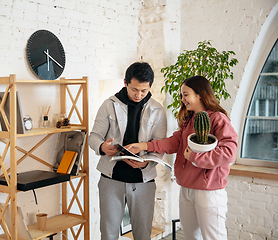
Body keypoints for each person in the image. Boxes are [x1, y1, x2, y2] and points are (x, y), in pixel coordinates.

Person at [127, 75, 238, 240]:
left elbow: (229, 152)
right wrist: (144, 146)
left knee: (214, 238)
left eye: (186, 94)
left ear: (199, 94)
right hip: (186, 187)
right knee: (191, 236)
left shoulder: (217, 119)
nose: (182, 99)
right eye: (182, 95)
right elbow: (174, 142)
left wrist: (194, 157)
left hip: (209, 191)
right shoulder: (189, 119)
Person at [88, 62, 167, 240]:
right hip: (111, 180)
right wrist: (102, 147)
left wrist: (147, 161)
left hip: (144, 182)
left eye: (144, 91)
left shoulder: (158, 110)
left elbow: (159, 145)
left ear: (150, 87)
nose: (138, 95)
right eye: (134, 89)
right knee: (108, 234)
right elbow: (93, 137)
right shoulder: (108, 105)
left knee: (142, 235)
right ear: (125, 82)